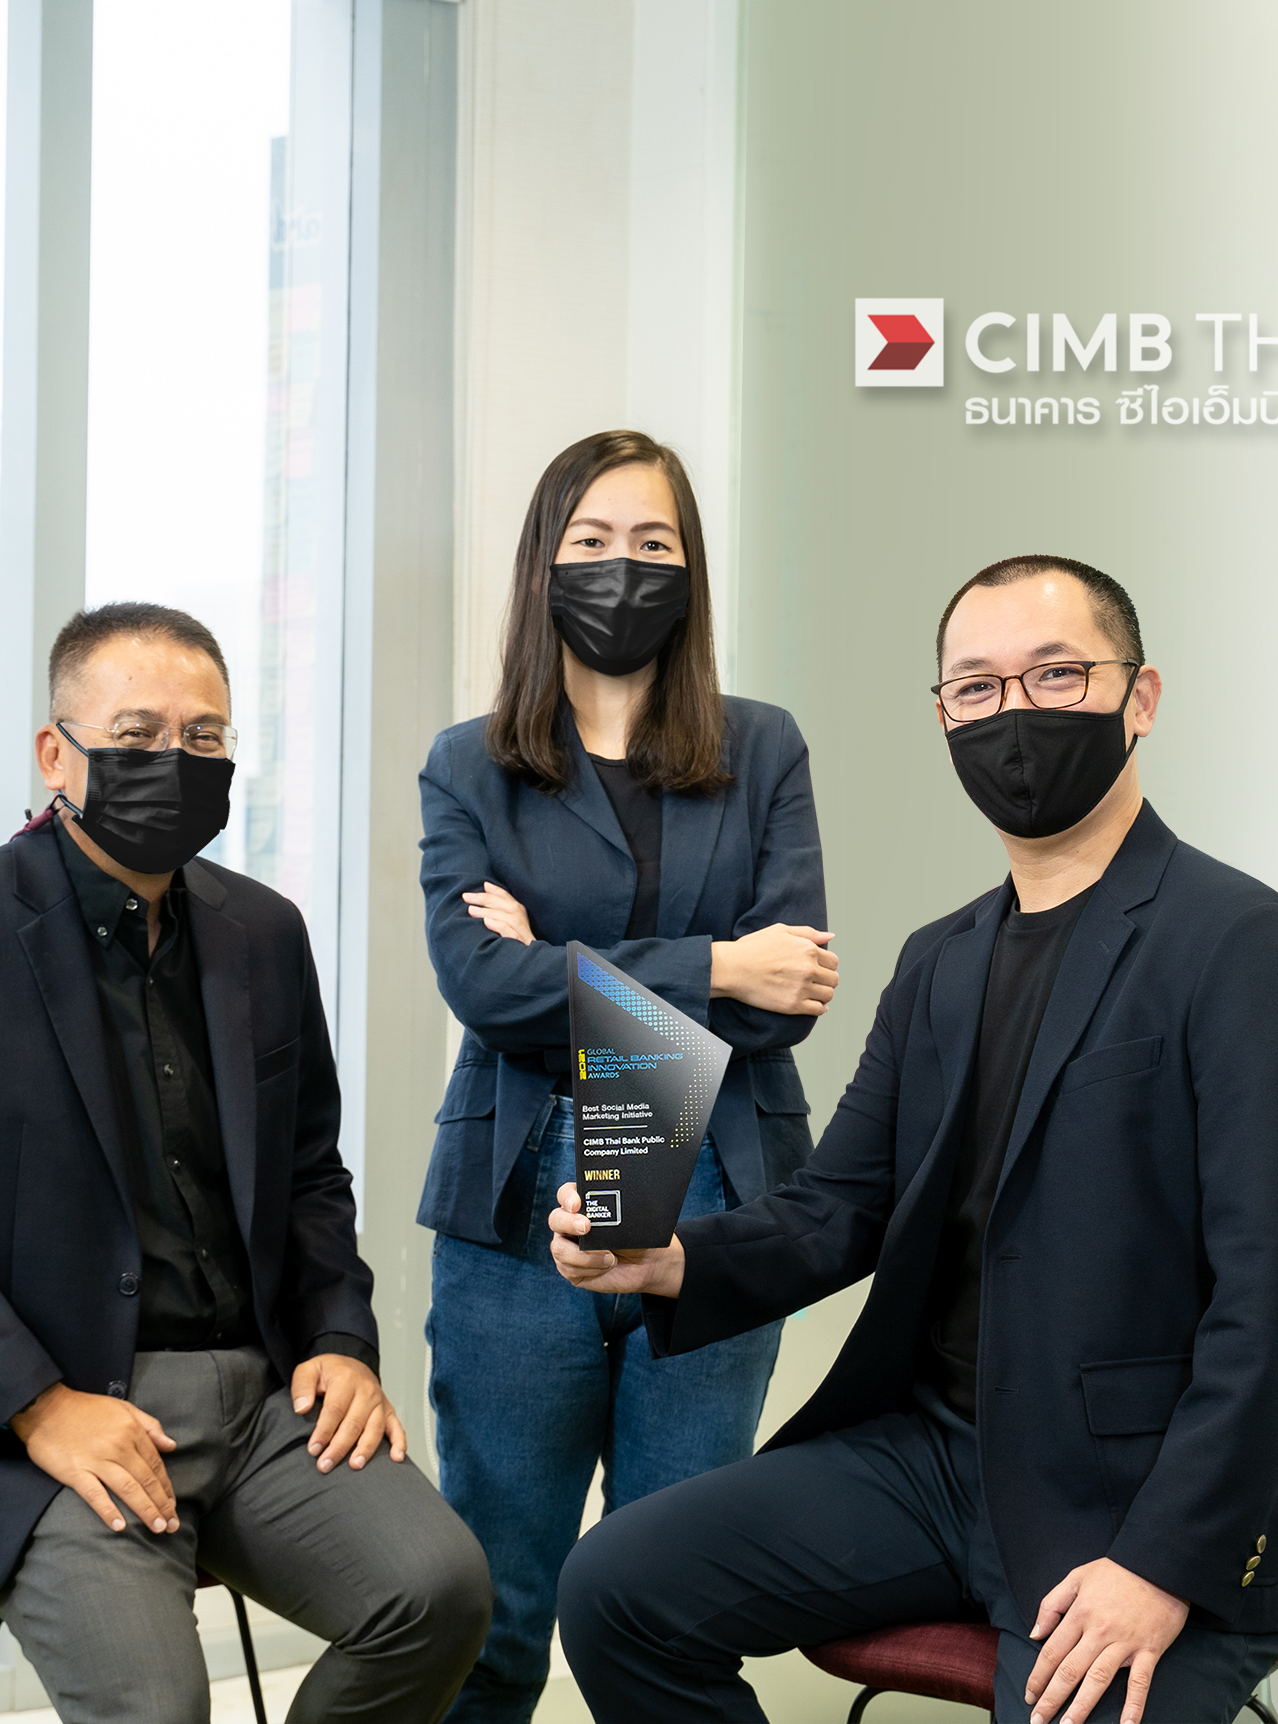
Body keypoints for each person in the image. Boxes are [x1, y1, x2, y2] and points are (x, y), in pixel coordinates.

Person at [548, 556, 1278, 1724]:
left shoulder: (1244, 943)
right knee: (615, 1588)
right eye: (976, 687)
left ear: (1140, 696)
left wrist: (1160, 1561)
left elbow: (1272, 1298)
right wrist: (668, 1261)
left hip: (1135, 1496)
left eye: (1056, 674)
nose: (1014, 713)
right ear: (945, 719)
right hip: (930, 1460)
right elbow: (840, 1205)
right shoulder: (940, 961)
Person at [0, 602, 490, 1724]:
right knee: (159, 1705)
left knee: (440, 1592)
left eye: (203, 737)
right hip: (61, 1405)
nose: (173, 761)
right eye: (135, 735)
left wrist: (340, 1339)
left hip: (262, 1397)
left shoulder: (264, 931)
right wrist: (40, 1407)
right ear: (56, 755)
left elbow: (311, 1174)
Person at [415, 430, 841, 1721]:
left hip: (715, 1184)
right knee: (495, 1602)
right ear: (544, 564)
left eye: (653, 542)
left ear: (690, 568)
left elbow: (787, 1002)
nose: (623, 566)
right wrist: (719, 962)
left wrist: (555, 959)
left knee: (667, 1595)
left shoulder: (764, 747)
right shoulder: (467, 762)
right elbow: (481, 989)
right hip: (516, 1194)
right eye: (592, 540)